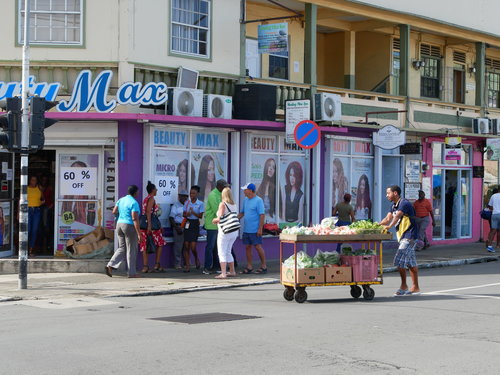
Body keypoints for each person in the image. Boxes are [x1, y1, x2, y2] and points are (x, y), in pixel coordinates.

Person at [379, 185, 420, 296]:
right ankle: (415, 287)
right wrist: (376, 225)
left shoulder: (404, 203)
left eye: (388, 193)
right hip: (402, 236)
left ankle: (404, 286)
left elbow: (397, 217)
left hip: (410, 236)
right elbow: (387, 219)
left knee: (399, 260)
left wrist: (389, 227)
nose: (387, 195)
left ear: (395, 193)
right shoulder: (393, 206)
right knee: (411, 262)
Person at [105, 185, 142, 278]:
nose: (138, 193)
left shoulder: (121, 200)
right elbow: (134, 218)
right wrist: (139, 233)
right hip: (129, 226)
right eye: (138, 191)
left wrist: (122, 215)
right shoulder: (134, 203)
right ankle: (131, 273)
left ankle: (110, 264)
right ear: (135, 192)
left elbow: (114, 211)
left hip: (119, 225)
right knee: (131, 250)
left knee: (122, 248)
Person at [238, 183, 267, 274]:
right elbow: (242, 213)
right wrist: (234, 219)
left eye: (245, 189)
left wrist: (260, 228)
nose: (244, 191)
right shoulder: (245, 200)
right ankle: (249, 266)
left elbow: (262, 215)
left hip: (255, 229)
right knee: (247, 247)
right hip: (247, 229)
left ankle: (263, 266)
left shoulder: (258, 200)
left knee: (258, 246)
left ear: (250, 190)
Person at [203, 179, 229, 275]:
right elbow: (217, 210)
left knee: (217, 247)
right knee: (210, 246)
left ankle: (216, 266)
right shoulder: (213, 195)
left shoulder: (221, 194)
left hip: (219, 225)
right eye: (224, 186)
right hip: (212, 225)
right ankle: (207, 267)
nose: (226, 188)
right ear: (219, 186)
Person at [212, 187, 239, 279]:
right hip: (234, 231)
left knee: (221, 252)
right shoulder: (234, 204)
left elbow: (219, 218)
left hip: (225, 231)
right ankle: (232, 271)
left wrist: (214, 219)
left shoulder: (222, 204)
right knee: (228, 251)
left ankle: (223, 273)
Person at [139, 181, 166, 273]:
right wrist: (149, 226)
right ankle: (156, 264)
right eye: (156, 189)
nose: (157, 190)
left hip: (143, 225)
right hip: (151, 226)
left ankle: (145, 266)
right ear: (153, 190)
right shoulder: (151, 199)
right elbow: (148, 212)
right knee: (160, 243)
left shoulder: (146, 199)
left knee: (144, 245)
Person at [183, 185, 204, 272]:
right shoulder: (187, 202)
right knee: (186, 245)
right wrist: (187, 214)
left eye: (194, 193)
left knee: (193, 246)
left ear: (197, 194)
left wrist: (193, 212)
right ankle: (187, 265)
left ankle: (196, 258)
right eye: (191, 193)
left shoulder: (200, 203)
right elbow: (184, 214)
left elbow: (200, 216)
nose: (192, 195)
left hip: (195, 224)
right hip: (188, 223)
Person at [169, 190, 189, 270]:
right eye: (183, 196)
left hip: (187, 227)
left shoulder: (188, 205)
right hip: (178, 227)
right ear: (179, 197)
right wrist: (177, 228)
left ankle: (186, 263)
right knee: (178, 246)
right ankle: (177, 264)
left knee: (186, 246)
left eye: (186, 196)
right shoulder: (175, 206)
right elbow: (171, 218)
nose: (185, 198)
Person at [28, 175, 44, 257]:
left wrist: (40, 203)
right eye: (32, 180)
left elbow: (43, 199)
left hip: (37, 211)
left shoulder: (39, 188)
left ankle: (31, 250)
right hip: (28, 210)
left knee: (34, 230)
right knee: (28, 230)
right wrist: (17, 214)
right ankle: (24, 248)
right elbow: (20, 200)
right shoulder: (25, 188)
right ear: (29, 181)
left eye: (35, 180)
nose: (34, 182)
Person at [486, 188, 500, 253]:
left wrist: (495, 208)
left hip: (494, 214)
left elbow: (489, 206)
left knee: (493, 231)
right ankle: (497, 245)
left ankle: (489, 246)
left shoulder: (493, 196)